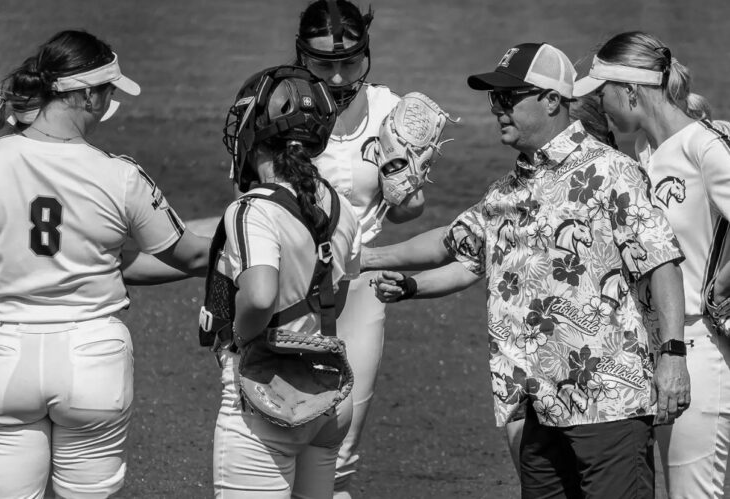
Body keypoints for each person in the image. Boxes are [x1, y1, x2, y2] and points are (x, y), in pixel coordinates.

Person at [0, 29, 211, 498]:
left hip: (4, 365)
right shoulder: (121, 176)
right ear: (89, 95)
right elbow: (189, 253)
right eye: (109, 90)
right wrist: (258, 237)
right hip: (94, 365)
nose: (111, 101)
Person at [363, 42, 690, 498]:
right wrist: (373, 262)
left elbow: (662, 262)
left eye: (508, 98)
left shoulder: (611, 171)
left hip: (608, 403)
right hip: (539, 405)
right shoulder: (507, 192)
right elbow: (455, 249)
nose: (497, 110)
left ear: (553, 100)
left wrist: (673, 355)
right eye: (493, 99)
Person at [573, 31, 730, 498]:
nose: (599, 105)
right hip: (663, 348)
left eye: (601, 93)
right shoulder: (643, 154)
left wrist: (723, 281)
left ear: (630, 91)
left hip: (702, 347)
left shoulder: (703, 146)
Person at [294, 2, 427, 495]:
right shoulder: (276, 103)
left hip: (361, 281)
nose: (336, 74)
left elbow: (410, 209)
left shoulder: (391, 111)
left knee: (342, 440)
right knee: (278, 424)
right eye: (323, 62)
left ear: (365, 54)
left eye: (349, 61)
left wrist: (403, 181)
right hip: (289, 280)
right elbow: (249, 201)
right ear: (301, 54)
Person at [211, 64, 361, 498]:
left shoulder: (251, 209)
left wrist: (238, 339)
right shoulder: (340, 206)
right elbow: (339, 296)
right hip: (328, 398)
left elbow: (259, 296)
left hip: (267, 397)